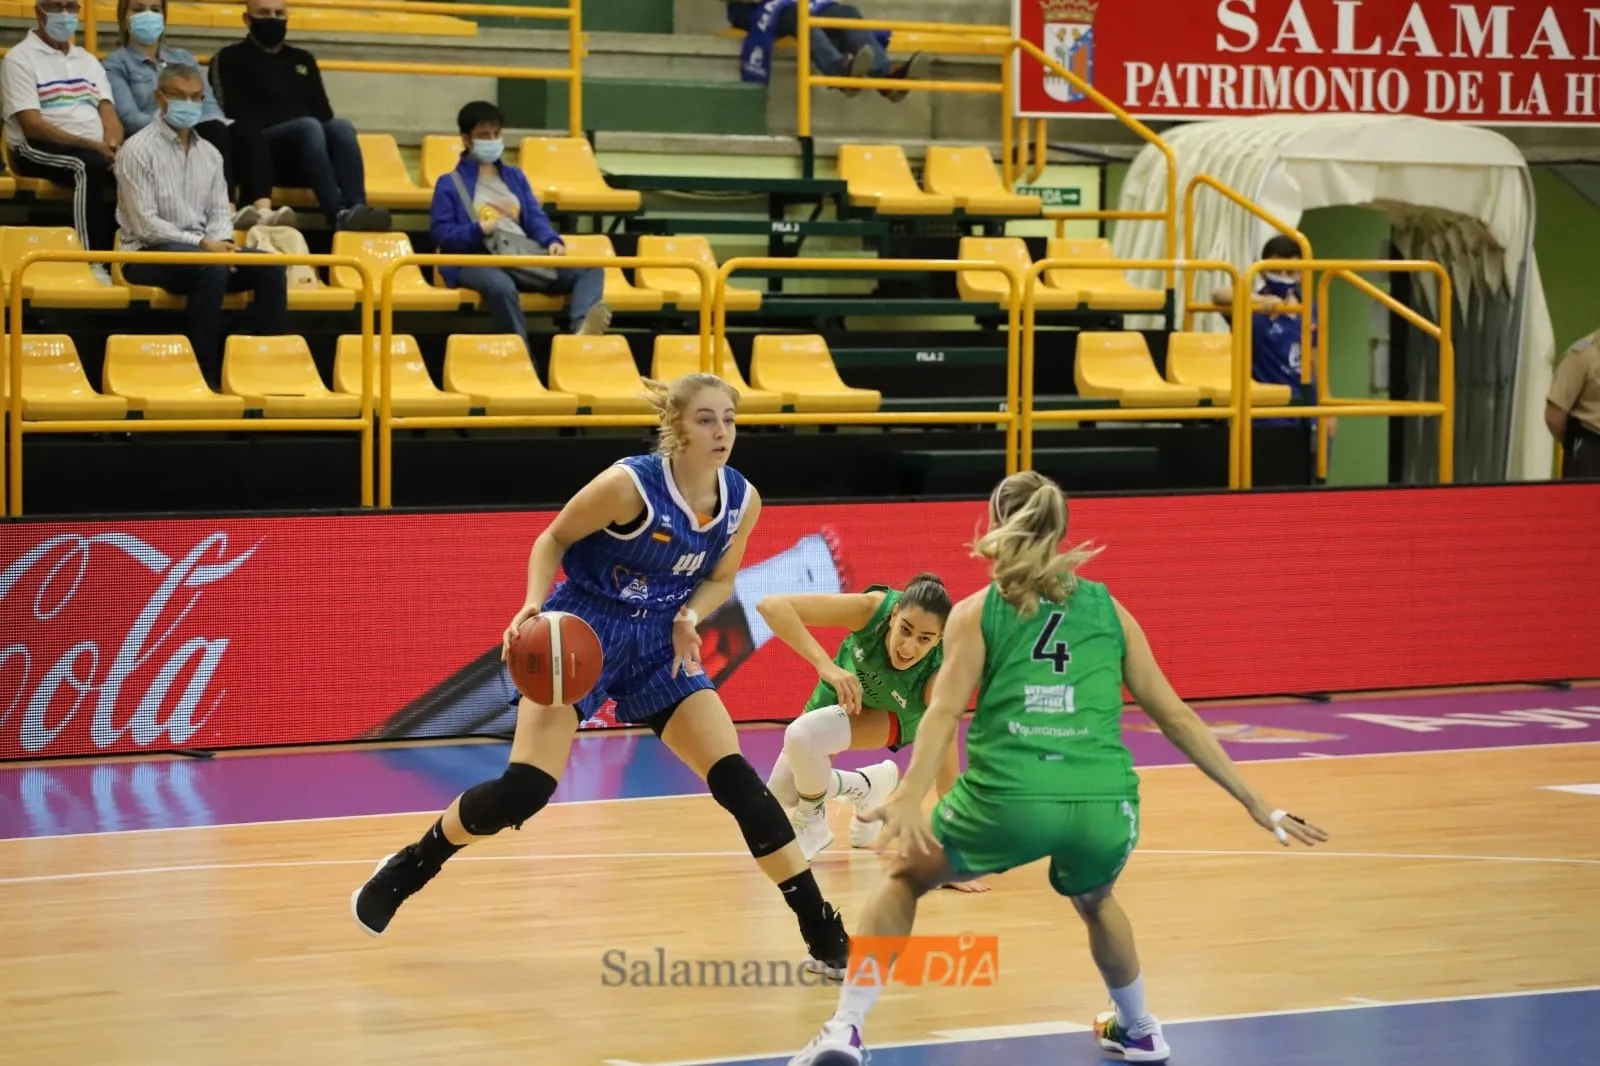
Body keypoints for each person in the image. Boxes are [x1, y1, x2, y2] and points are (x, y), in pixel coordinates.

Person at [788, 470, 1329, 1066]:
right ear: (1062, 533)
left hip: (1011, 797)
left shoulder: (978, 612)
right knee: (1097, 899)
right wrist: (1257, 802)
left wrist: (914, 795)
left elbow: (941, 716)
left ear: (995, 529)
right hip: (1105, 803)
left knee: (904, 879)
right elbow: (1176, 716)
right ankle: (1141, 1028)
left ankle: (846, 1030)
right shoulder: (1108, 609)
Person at [351, 372, 852, 978]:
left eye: (729, 419)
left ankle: (822, 931)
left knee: (740, 785)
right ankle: (414, 862)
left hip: (660, 640)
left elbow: (721, 575)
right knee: (524, 792)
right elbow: (553, 537)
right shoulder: (630, 486)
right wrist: (534, 604)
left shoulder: (742, 499)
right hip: (581, 632)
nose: (722, 432)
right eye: (706, 420)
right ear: (677, 428)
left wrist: (691, 614)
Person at [759, 576, 960, 860]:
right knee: (783, 793)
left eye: (924, 639)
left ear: (938, 639)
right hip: (846, 686)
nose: (908, 647)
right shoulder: (870, 610)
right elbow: (772, 606)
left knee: (802, 737)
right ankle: (865, 786)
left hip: (894, 714)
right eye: (905, 629)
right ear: (893, 615)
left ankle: (812, 821)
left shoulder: (940, 677)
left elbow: (948, 768)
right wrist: (825, 666)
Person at [114, 64, 288, 388]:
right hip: (146, 255)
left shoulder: (210, 153)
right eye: (179, 96)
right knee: (212, 268)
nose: (188, 104)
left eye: (196, 98)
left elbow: (220, 211)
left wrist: (222, 242)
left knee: (270, 267)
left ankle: (266, 372)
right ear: (160, 98)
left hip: (202, 251)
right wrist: (205, 246)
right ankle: (202, 376)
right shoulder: (137, 150)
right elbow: (145, 224)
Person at [103, 0, 293, 230]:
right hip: (156, 135)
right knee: (212, 131)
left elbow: (210, 104)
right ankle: (226, 211)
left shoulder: (183, 58)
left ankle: (262, 212)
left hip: (199, 124)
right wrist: (178, 121)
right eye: (139, 9)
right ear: (124, 17)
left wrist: (207, 121)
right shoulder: (115, 64)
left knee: (245, 130)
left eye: (155, 9)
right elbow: (130, 117)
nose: (148, 15)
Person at [430, 100, 610, 340]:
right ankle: (521, 355)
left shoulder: (515, 177)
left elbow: (534, 216)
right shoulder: (449, 183)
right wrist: (478, 230)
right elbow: (442, 235)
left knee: (589, 269)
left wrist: (550, 239)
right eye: (484, 135)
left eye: (496, 134)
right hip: (477, 258)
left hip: (519, 253)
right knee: (500, 286)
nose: (492, 140)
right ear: (466, 139)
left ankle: (580, 332)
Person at [208, 0, 390, 232]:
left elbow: (324, 114)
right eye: (264, 13)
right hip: (261, 156)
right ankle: (338, 214)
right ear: (247, 19)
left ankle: (359, 211)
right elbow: (230, 119)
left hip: (310, 155)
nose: (273, 19)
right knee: (308, 127)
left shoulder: (303, 59)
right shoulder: (229, 59)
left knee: (341, 127)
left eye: (279, 13)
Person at [1, 0, 123, 270]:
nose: (65, 14)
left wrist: (112, 146)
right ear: (39, 12)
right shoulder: (19, 59)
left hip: (94, 147)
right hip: (35, 147)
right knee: (86, 165)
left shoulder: (87, 60)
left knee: (131, 165)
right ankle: (90, 262)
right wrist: (92, 146)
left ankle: (126, 260)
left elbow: (108, 112)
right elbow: (32, 124)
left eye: (71, 7)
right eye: (57, 6)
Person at [731, 0, 929, 102]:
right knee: (799, 17)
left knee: (846, 13)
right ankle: (838, 71)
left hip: (798, 3)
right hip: (754, 9)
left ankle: (886, 77)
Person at [1546, 328, 1600, 480]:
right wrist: (1575, 444)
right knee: (1586, 503)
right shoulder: (1583, 355)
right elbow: (1554, 415)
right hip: (1591, 452)